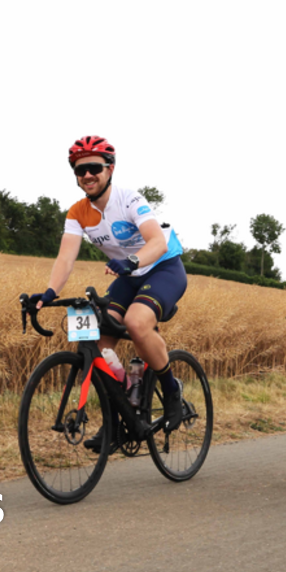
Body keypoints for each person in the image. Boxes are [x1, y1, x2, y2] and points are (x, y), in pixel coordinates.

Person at [30, 136, 187, 448]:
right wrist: (48, 292)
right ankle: (118, 420)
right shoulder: (77, 212)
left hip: (162, 268)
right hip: (127, 275)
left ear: (109, 169)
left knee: (136, 322)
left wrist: (131, 261)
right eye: (79, 170)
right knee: (99, 342)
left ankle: (171, 392)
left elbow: (156, 241)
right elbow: (66, 257)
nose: (87, 175)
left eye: (93, 168)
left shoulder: (128, 199)